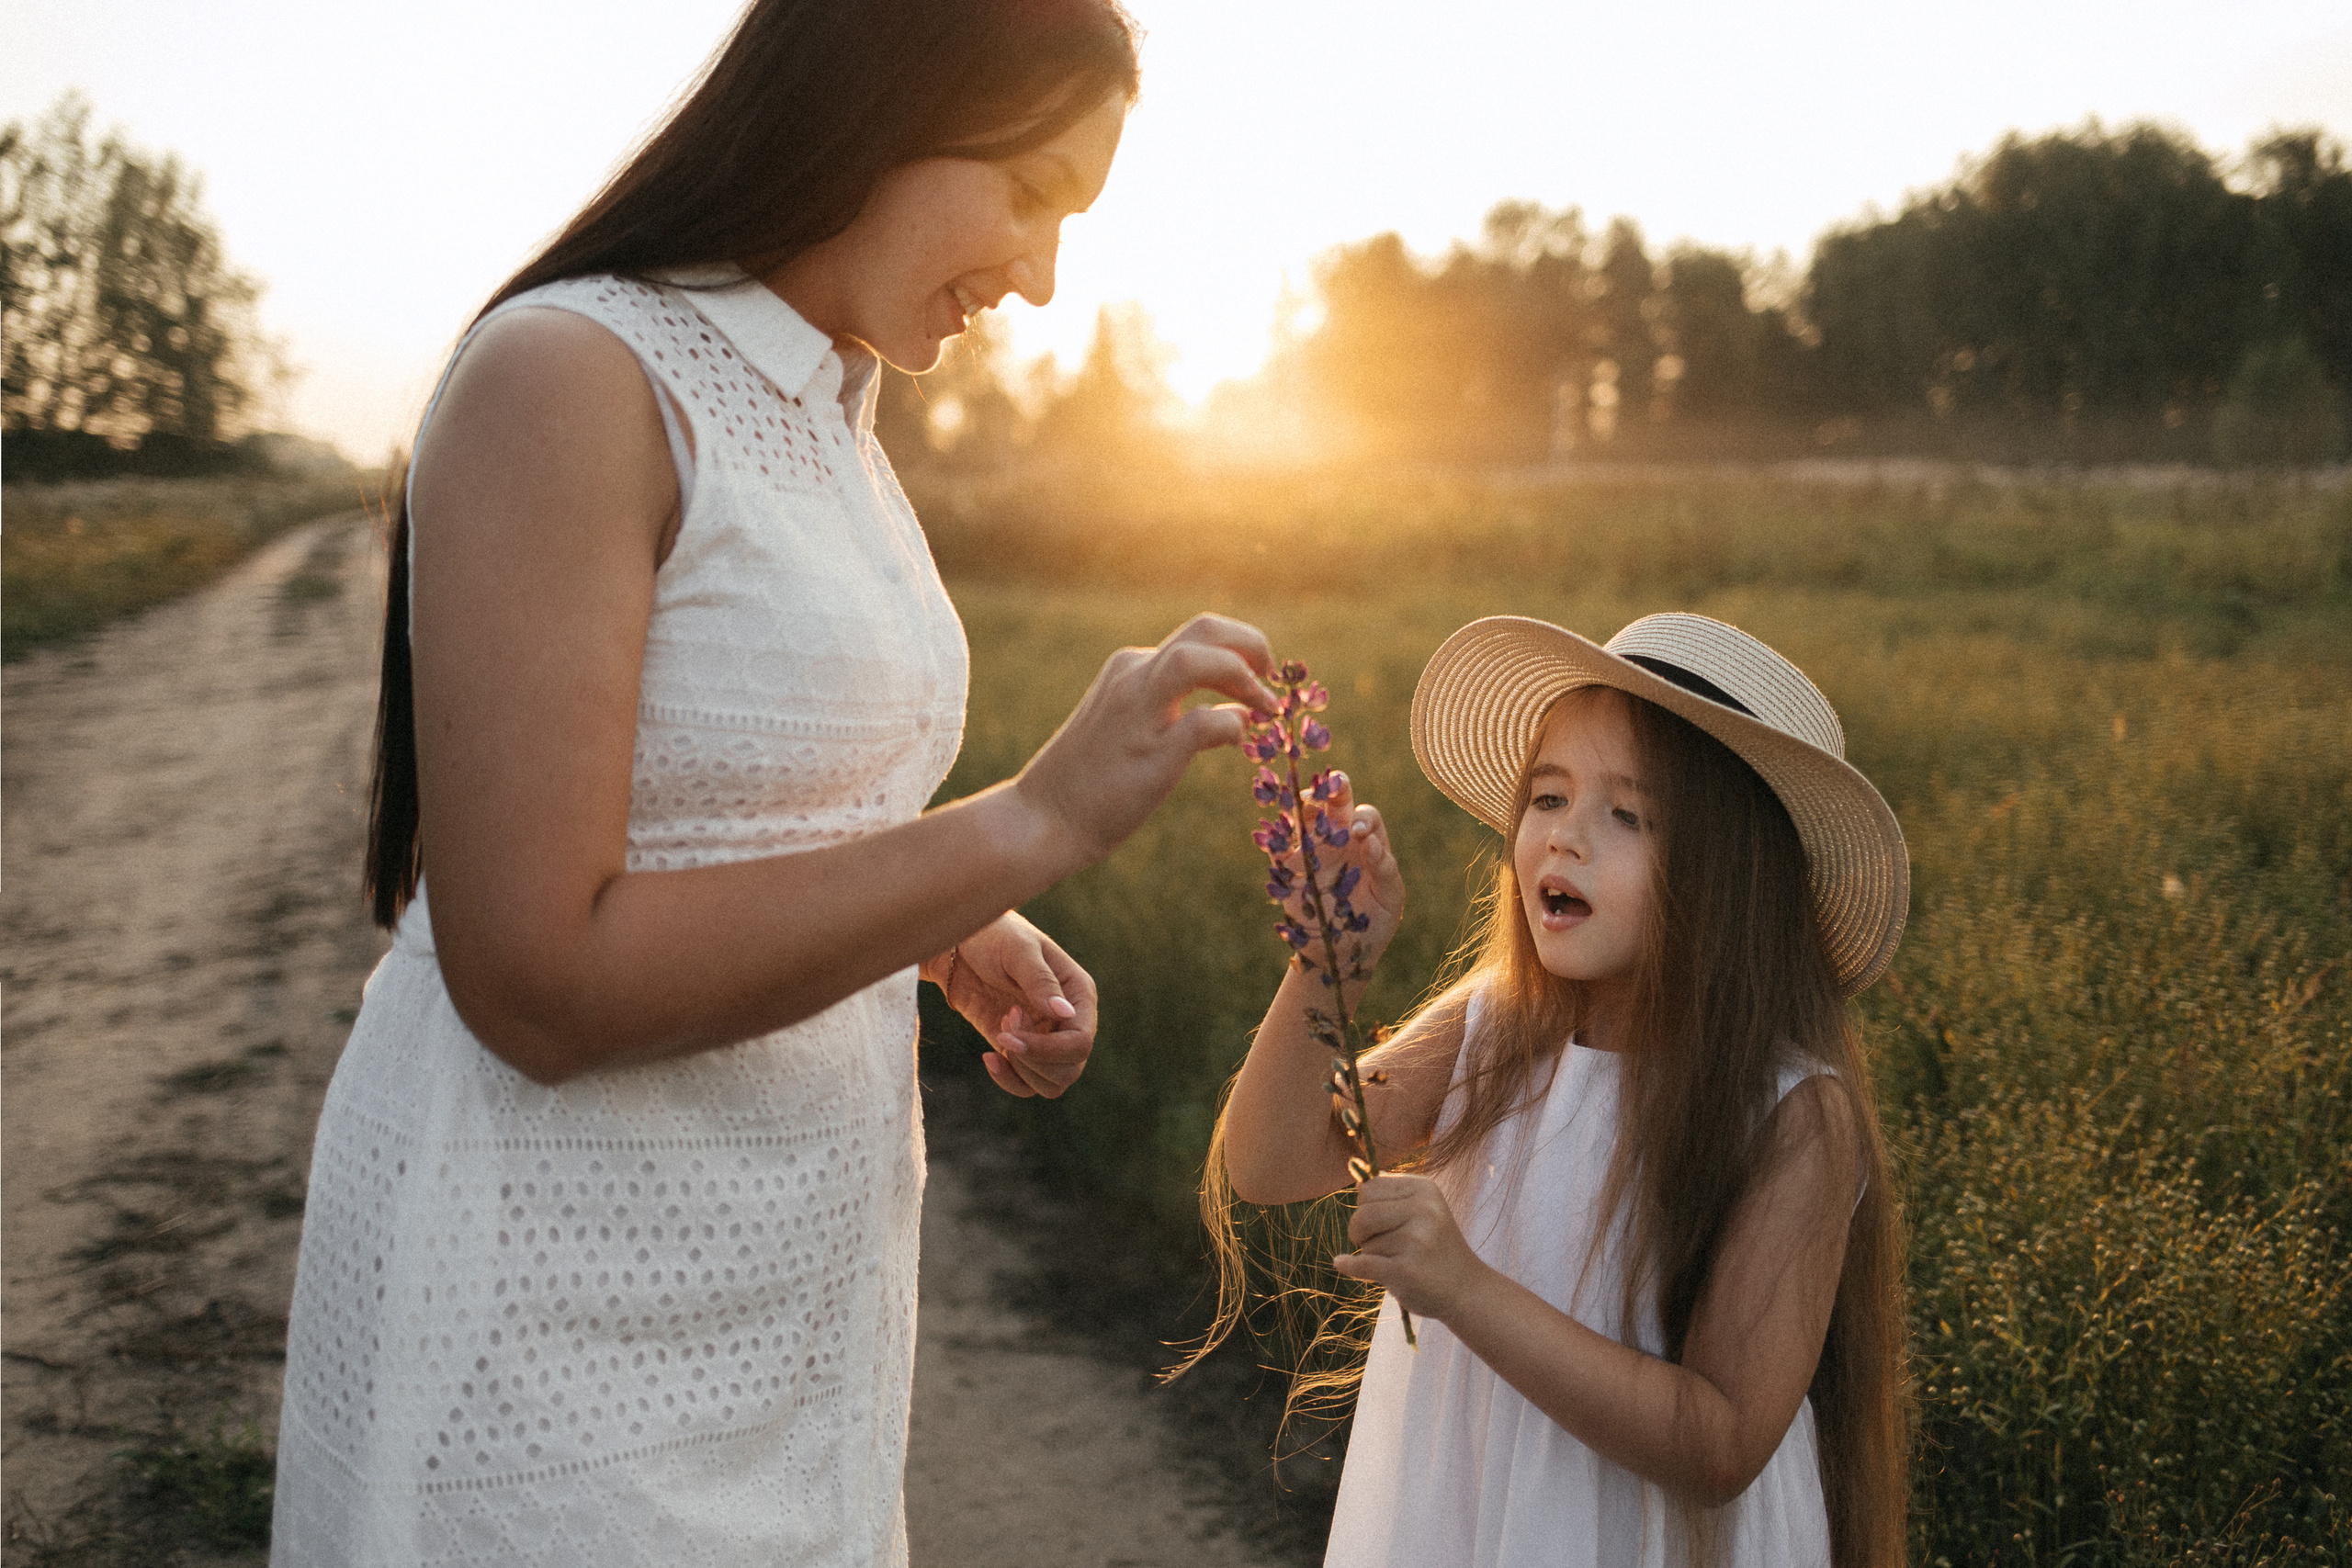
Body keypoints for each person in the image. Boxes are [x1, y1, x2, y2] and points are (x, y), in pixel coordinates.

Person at [270, 2, 1277, 1562]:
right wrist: (1030, 826)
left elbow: (734, 807)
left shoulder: (833, 412)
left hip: (785, 1312)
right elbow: (536, 976)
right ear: (885, 93)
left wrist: (948, 925)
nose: (1041, 274)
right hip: (548, 1319)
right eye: (1031, 194)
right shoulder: (570, 377)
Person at [1208, 613, 1911, 1567]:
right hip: (1464, 1512)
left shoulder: (1792, 1116)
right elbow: (1268, 1160)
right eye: (1547, 796)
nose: (1563, 841)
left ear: (1731, 880)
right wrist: (1332, 957)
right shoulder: (1497, 1029)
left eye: (1629, 816)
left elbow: (1720, 1444)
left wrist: (1465, 1290)